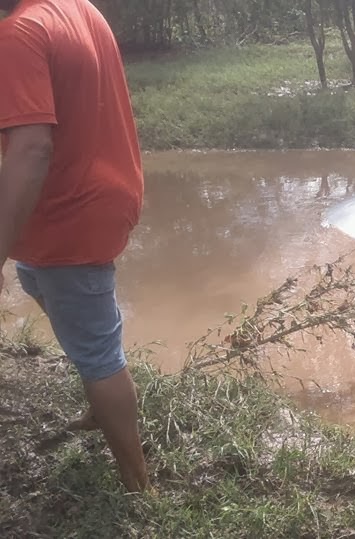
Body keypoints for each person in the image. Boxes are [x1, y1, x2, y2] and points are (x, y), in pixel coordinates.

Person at [0, 0, 149, 492]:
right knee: (38, 282)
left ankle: (137, 482)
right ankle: (100, 397)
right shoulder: (78, 7)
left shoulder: (19, 32)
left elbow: (31, 147)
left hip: (71, 209)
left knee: (97, 350)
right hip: (98, 192)